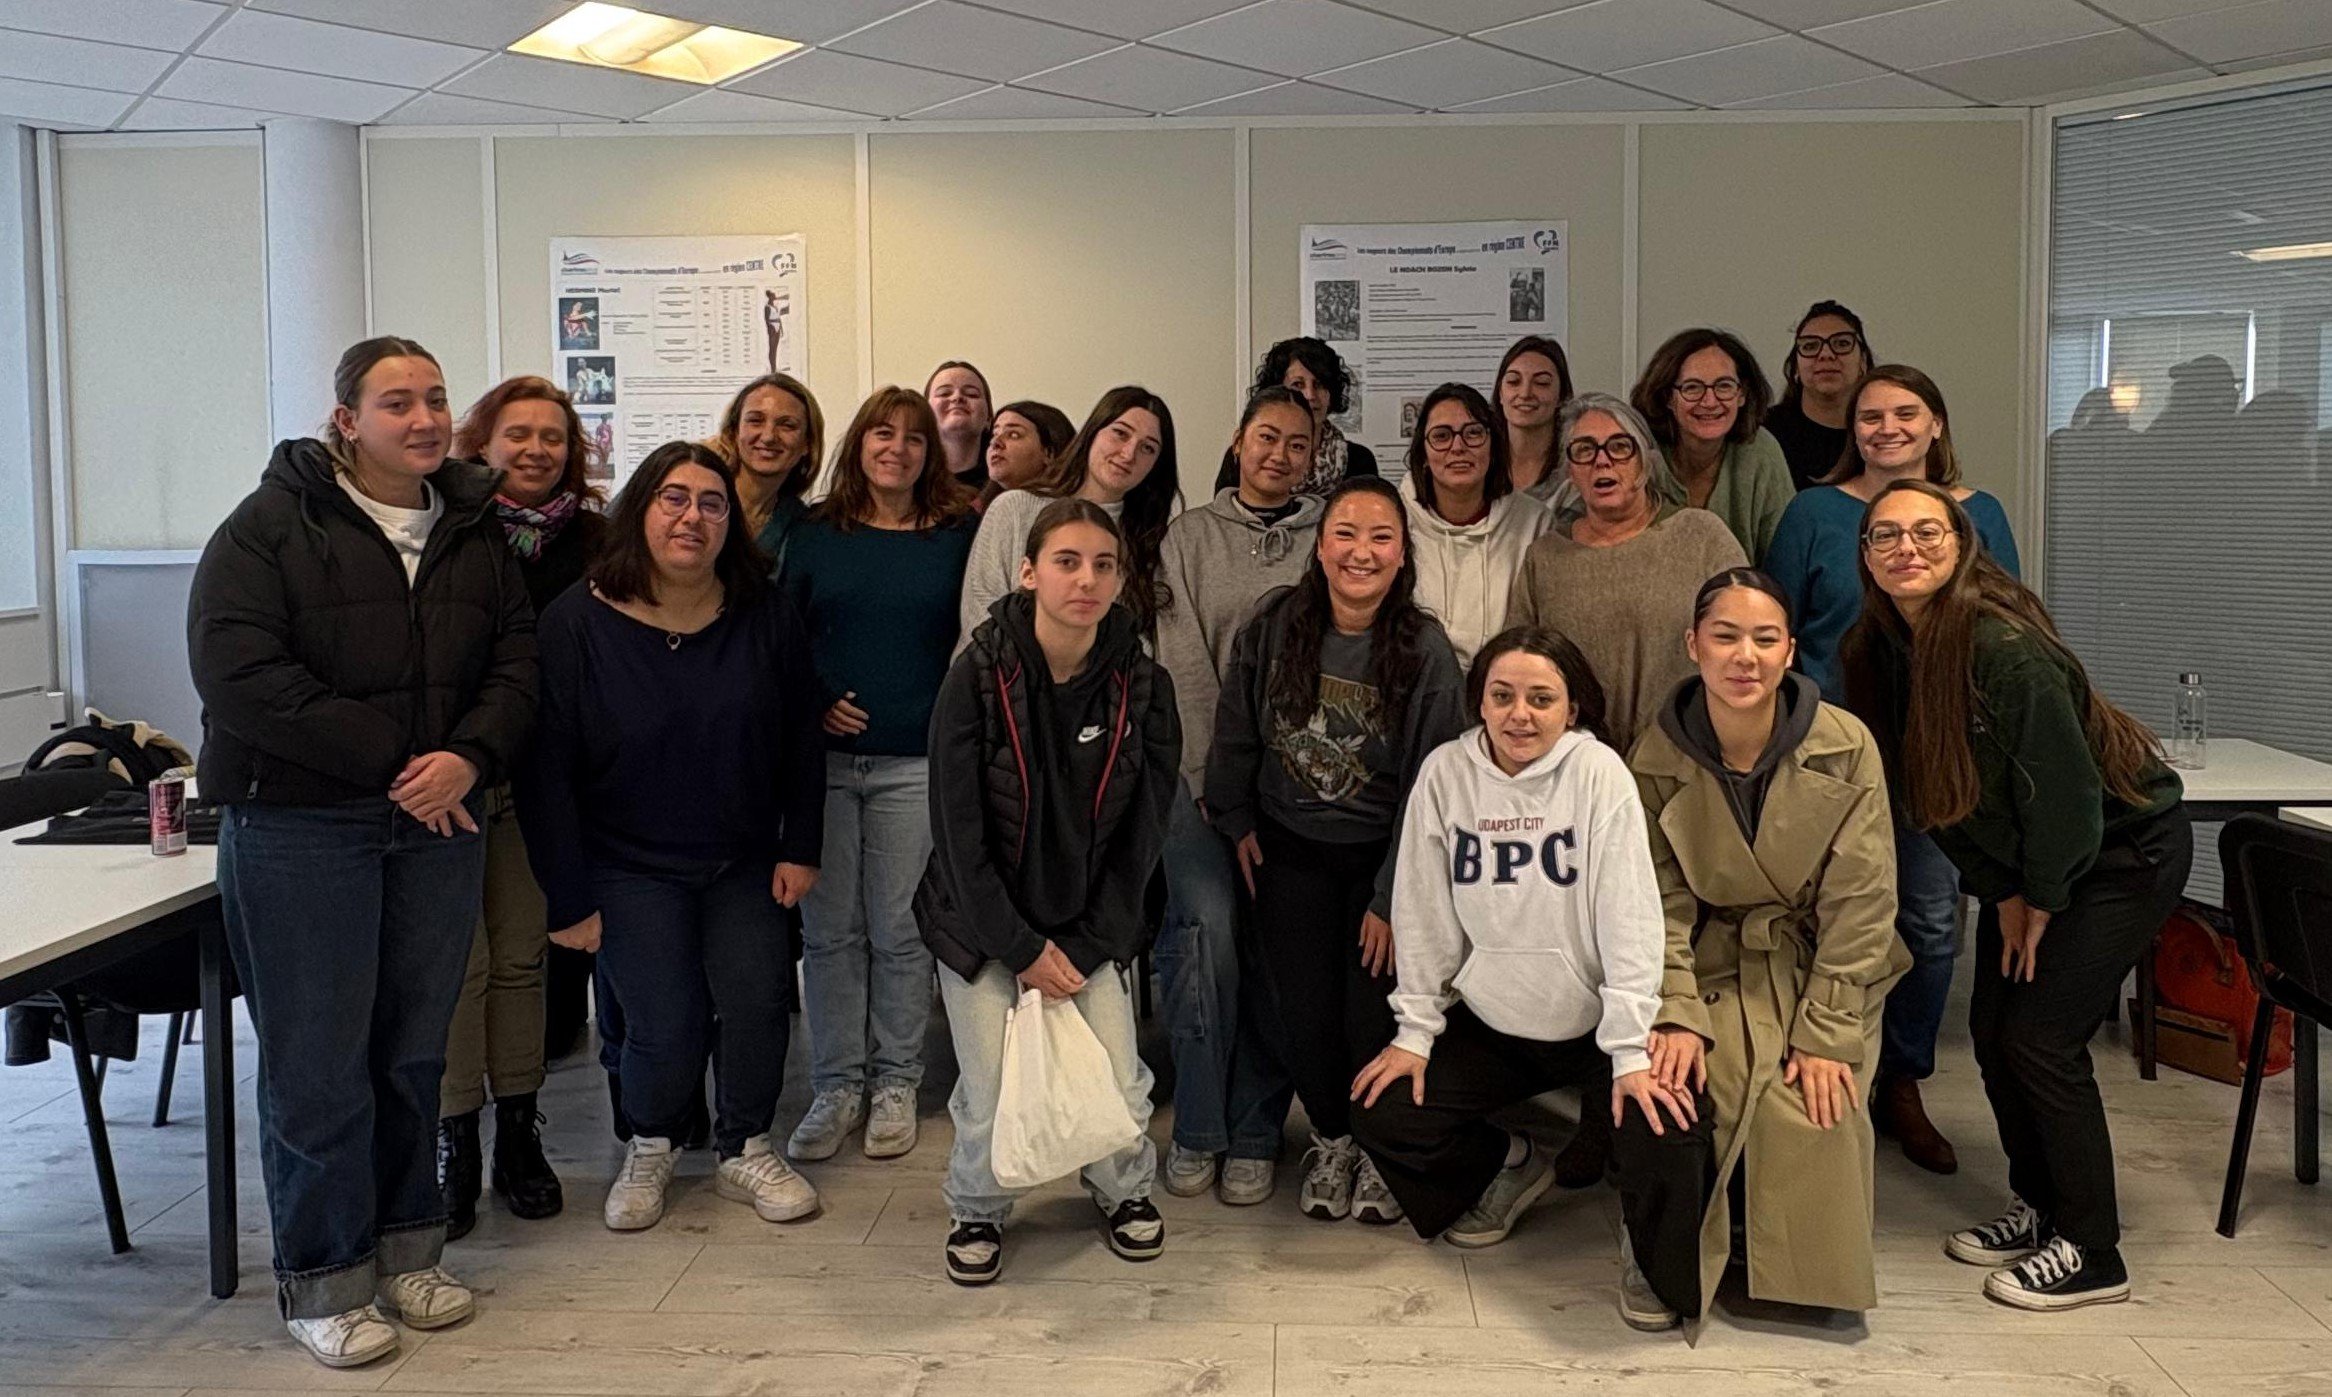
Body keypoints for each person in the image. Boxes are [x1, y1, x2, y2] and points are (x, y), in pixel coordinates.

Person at [189, 336, 535, 1368]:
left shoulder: (474, 528)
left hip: (439, 822)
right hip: (302, 824)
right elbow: (240, 672)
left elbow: (518, 663)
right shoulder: (265, 526)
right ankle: (325, 1277)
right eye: (397, 402)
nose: (424, 418)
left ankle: (407, 1250)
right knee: (317, 1063)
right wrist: (403, 760)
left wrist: (468, 758)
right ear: (346, 420)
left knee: (411, 1052)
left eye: (435, 398)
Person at [1841, 480, 2190, 1313]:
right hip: (2036, 867)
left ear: (1961, 544)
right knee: (1997, 1031)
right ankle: (2044, 1208)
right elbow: (1928, 796)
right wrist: (1998, 890)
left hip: (2117, 854)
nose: (1906, 547)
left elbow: (2064, 798)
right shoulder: (1877, 650)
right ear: (1866, 556)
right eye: (1885, 534)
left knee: (2038, 1037)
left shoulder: (2003, 647)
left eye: (1927, 531)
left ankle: (2094, 1249)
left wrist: (2038, 897)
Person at [1350, 627, 1708, 1333]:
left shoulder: (1598, 771)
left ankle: (1648, 1251)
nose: (1521, 714)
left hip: (1598, 1018)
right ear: (1478, 702)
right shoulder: (1445, 774)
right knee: (1383, 1106)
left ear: (1571, 707)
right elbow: (1422, 908)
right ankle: (1506, 1164)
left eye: (1542, 698)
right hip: (1495, 1016)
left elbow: (1631, 914)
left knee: (1672, 1123)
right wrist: (1416, 1030)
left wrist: (1633, 1046)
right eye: (1503, 696)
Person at [520, 441, 826, 1235]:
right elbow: (544, 768)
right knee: (664, 1019)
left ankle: (745, 1146)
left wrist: (801, 845)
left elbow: (800, 737)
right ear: (640, 510)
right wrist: (568, 894)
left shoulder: (765, 614)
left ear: (732, 523)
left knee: (759, 999)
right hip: (625, 862)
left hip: (744, 856)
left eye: (713, 502)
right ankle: (650, 1142)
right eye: (674, 498)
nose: (693, 516)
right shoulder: (575, 623)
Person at [1628, 569, 1905, 1331]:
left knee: (1815, 1099)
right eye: (1724, 636)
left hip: (1820, 961)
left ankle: (1794, 1268)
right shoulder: (1651, 757)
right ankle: (1666, 1255)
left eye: (1763, 638)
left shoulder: (1846, 745)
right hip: (1709, 958)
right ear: (1693, 645)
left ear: (1789, 651)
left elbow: (1863, 900)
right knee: (1677, 1083)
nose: (1742, 656)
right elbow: (1654, 903)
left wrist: (1826, 1030)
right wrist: (1675, 1009)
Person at [1764, 365, 2021, 1175]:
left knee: (1929, 925)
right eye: (1871, 415)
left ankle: (1900, 1080)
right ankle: (1808, 1068)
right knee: (1812, 917)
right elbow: (1775, 626)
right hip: (1826, 750)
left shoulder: (1979, 514)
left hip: (1936, 756)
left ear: (1937, 423)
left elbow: (2005, 623)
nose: (1886, 427)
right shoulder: (1813, 512)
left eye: (1906, 412)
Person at [918, 499, 1181, 1286]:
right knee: (994, 1085)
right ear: (1030, 572)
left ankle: (1122, 1189)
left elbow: (1143, 834)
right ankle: (977, 1205)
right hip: (979, 921)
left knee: (1118, 1080)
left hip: (1089, 922)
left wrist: (1089, 945)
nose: (1087, 578)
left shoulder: (1144, 683)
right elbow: (958, 837)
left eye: (1104, 564)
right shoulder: (976, 675)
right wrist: (1022, 950)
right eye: (1067, 561)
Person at [1206, 477, 1467, 1226]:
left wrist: (1392, 896)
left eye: (1381, 536)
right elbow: (1236, 726)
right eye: (1345, 533)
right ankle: (1331, 1138)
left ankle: (1384, 1148)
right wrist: (1235, 815)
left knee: (1371, 1014)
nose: (1362, 551)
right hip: (1291, 852)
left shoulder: (1425, 650)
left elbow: (1432, 787)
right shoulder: (1274, 623)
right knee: (1303, 1012)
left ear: (1402, 553)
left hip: (1381, 859)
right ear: (1320, 547)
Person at [781, 388, 977, 1164]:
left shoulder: (957, 533)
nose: (896, 448)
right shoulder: (814, 532)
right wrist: (818, 698)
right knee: (830, 933)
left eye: (913, 438)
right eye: (880, 434)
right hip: (823, 764)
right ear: (857, 444)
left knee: (900, 932)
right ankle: (837, 1085)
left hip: (913, 762)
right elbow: (782, 638)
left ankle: (897, 1079)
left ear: (932, 452)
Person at [436, 375, 605, 1241]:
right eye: (519, 434)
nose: (536, 449)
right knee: (459, 966)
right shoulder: (448, 528)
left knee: (521, 962)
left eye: (553, 436)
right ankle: (454, 1138)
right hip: (458, 774)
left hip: (548, 780)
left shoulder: (598, 540)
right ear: (483, 442)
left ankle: (518, 1133)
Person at [1152, 385, 1322, 1205]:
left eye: (1298, 443)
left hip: (1293, 794)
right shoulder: (1189, 537)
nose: (1279, 455)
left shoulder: (1330, 535)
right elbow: (1179, 661)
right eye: (1266, 437)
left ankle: (1257, 1127)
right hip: (1196, 783)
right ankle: (1198, 1124)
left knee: (1271, 951)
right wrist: (1216, 783)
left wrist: (1272, 783)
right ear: (1237, 440)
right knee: (1204, 938)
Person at [1509, 394, 1746, 754]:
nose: (1602, 460)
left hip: (1688, 756)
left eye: (1620, 447)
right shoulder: (1545, 558)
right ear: (1570, 471)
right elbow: (1518, 665)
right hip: (1576, 765)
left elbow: (1746, 640)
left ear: (1646, 462)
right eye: (1584, 450)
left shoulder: (1702, 536)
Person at [960, 385, 1179, 645]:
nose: (1128, 453)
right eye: (1120, 433)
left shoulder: (1150, 542)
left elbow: (1143, 644)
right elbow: (980, 614)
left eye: (1148, 448)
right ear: (1092, 433)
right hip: (998, 679)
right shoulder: (1015, 509)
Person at [1399, 382, 1551, 666]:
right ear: (1423, 454)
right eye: (1442, 436)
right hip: (1411, 685)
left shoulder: (1535, 523)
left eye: (1473, 433)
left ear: (1493, 446)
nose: (1458, 447)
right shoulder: (1393, 519)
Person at [1629, 328, 1794, 561]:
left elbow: (1784, 558)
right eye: (1692, 387)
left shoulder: (1761, 451)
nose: (1709, 401)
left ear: (1742, 394)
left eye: (1724, 386)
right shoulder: (1637, 451)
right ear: (1668, 397)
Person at [1211, 337, 1379, 497]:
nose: (1310, 395)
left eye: (1319, 385)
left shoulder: (1359, 460)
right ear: (1278, 391)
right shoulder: (1245, 455)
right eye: (1298, 385)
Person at [711, 372, 822, 571]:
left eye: (787, 425)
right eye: (756, 421)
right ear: (735, 432)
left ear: (807, 443)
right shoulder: (698, 501)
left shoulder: (801, 526)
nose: (769, 436)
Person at [1763, 302, 1874, 491]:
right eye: (1810, 346)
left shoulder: (1881, 431)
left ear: (1863, 362)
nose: (1826, 354)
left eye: (1842, 343)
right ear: (1795, 367)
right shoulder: (1764, 433)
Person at [1496, 335, 1574, 504]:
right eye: (1513, 381)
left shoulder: (1576, 466)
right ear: (1500, 394)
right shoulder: (1479, 460)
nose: (1525, 393)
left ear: (1562, 396)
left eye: (1542, 383)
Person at [978, 399, 1074, 512]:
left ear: (1049, 453)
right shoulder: (973, 512)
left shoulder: (1073, 514)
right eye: (995, 434)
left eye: (1013, 434)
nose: (995, 442)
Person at [926, 360, 994, 491]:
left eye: (971, 394)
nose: (957, 398)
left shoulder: (1006, 484)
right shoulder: (909, 483)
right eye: (944, 393)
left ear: (989, 419)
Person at [762, 290, 785, 375]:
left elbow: (779, 318)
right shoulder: (767, 307)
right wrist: (769, 329)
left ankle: (774, 367)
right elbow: (766, 319)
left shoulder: (775, 307)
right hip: (772, 327)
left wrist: (781, 329)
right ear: (770, 297)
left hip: (777, 326)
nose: (774, 297)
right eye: (773, 296)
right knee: (772, 349)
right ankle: (772, 368)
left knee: (775, 348)